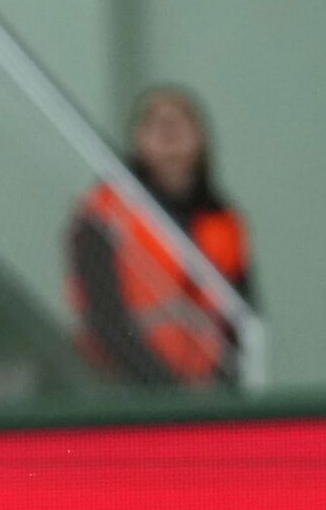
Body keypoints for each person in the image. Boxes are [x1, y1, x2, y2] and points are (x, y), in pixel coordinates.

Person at [66, 87, 253, 386]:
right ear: (137, 138)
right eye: (154, 121)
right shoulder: (105, 211)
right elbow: (103, 316)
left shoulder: (224, 221)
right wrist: (163, 388)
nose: (168, 132)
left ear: (202, 138)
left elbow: (241, 319)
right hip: (120, 386)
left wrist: (222, 387)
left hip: (204, 389)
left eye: (181, 121)